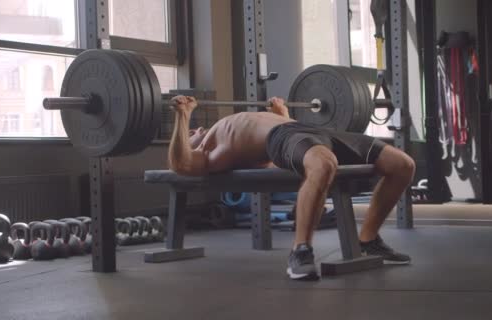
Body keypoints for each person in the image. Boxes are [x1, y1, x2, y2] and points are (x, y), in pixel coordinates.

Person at [168, 95, 416, 280]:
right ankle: (301, 251)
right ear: (193, 145)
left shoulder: (218, 134)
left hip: (310, 130)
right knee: (324, 165)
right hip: (282, 137)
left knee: (403, 165)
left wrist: (282, 112)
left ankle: (368, 240)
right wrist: (183, 115)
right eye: (190, 133)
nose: (194, 130)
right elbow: (181, 163)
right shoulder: (213, 152)